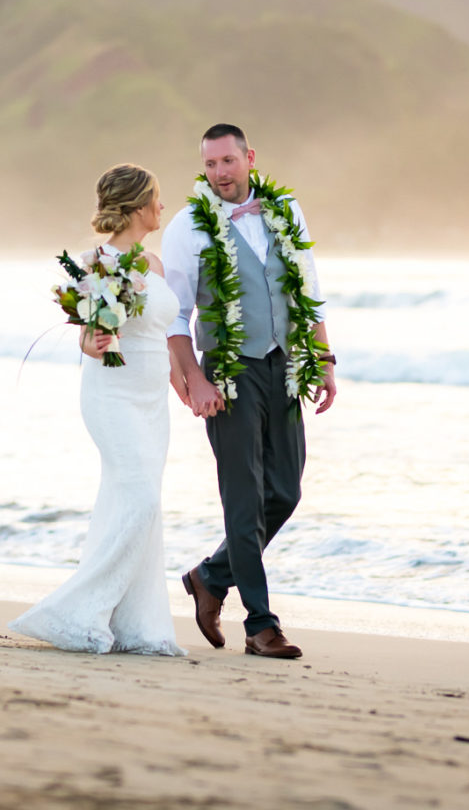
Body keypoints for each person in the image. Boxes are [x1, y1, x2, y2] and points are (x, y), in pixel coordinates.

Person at [162, 124, 337, 660]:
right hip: (229, 373)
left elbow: (308, 289)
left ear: (248, 158)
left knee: (284, 491)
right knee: (243, 501)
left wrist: (323, 359)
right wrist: (195, 379)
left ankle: (210, 577)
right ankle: (261, 625)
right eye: (210, 165)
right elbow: (175, 315)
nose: (219, 173)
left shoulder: (287, 212)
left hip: (284, 365)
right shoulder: (187, 227)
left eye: (228, 162)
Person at [8, 164, 186, 656]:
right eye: (156, 198)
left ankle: (138, 626)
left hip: (154, 403)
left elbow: (162, 333)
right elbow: (87, 336)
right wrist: (93, 340)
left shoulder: (152, 264)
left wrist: (185, 382)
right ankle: (73, 611)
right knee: (141, 499)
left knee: (134, 504)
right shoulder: (93, 264)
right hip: (112, 396)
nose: (162, 207)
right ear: (136, 206)